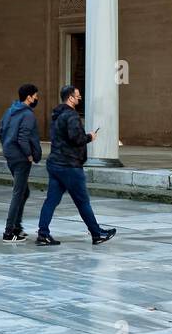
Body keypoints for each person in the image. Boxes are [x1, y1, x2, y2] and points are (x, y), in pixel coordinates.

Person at [37, 85, 117, 246]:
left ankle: (43, 234)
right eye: (78, 96)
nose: (79, 99)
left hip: (55, 163)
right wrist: (89, 136)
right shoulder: (72, 116)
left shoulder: (57, 115)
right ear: (70, 98)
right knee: (82, 202)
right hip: (70, 166)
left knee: (51, 201)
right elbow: (76, 139)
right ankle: (97, 234)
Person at [0, 83, 42, 242]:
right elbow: (23, 138)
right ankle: (9, 232)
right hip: (21, 158)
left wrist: (7, 149)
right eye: (35, 96)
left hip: (11, 156)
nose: (37, 98)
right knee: (18, 193)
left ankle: (17, 227)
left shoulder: (10, 111)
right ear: (29, 97)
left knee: (24, 191)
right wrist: (29, 155)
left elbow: (0, 132)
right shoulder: (28, 115)